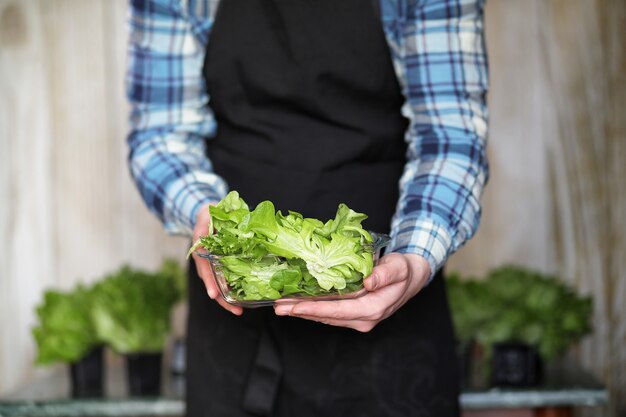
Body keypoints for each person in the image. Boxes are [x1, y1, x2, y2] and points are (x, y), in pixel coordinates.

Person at [126, 0, 489, 415]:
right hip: (237, 316)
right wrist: (208, 215)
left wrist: (416, 255)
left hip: (390, 305)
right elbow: (159, 134)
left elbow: (451, 138)